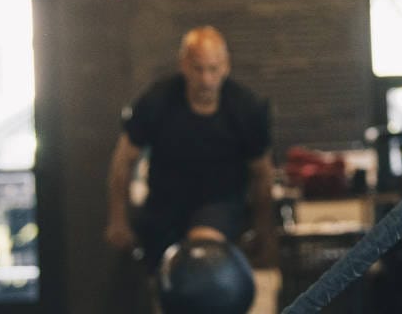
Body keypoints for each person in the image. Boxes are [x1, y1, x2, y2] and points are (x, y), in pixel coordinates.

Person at [104, 26, 276, 277]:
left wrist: (264, 229)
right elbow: (123, 161)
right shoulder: (157, 101)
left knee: (202, 258)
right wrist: (117, 219)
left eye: (213, 69)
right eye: (198, 69)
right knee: (166, 281)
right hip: (164, 208)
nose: (206, 79)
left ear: (226, 66)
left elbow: (262, 174)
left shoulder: (246, 108)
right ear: (184, 65)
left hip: (221, 205)